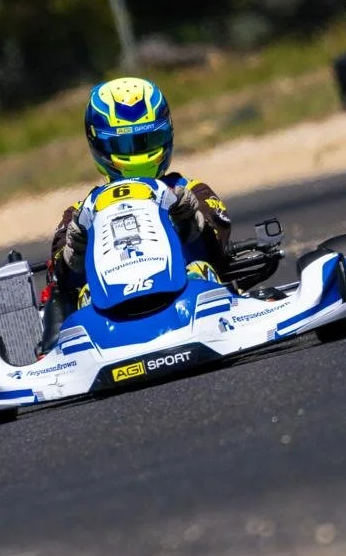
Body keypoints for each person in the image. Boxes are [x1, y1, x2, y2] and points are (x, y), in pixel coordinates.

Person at [39, 77, 231, 352]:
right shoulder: (82, 212)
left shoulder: (189, 190)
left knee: (201, 270)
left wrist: (189, 217)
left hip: (190, 295)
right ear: (101, 146)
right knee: (81, 296)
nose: (139, 154)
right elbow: (61, 273)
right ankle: (60, 355)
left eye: (148, 141)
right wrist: (75, 248)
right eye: (126, 147)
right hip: (104, 317)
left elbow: (219, 242)